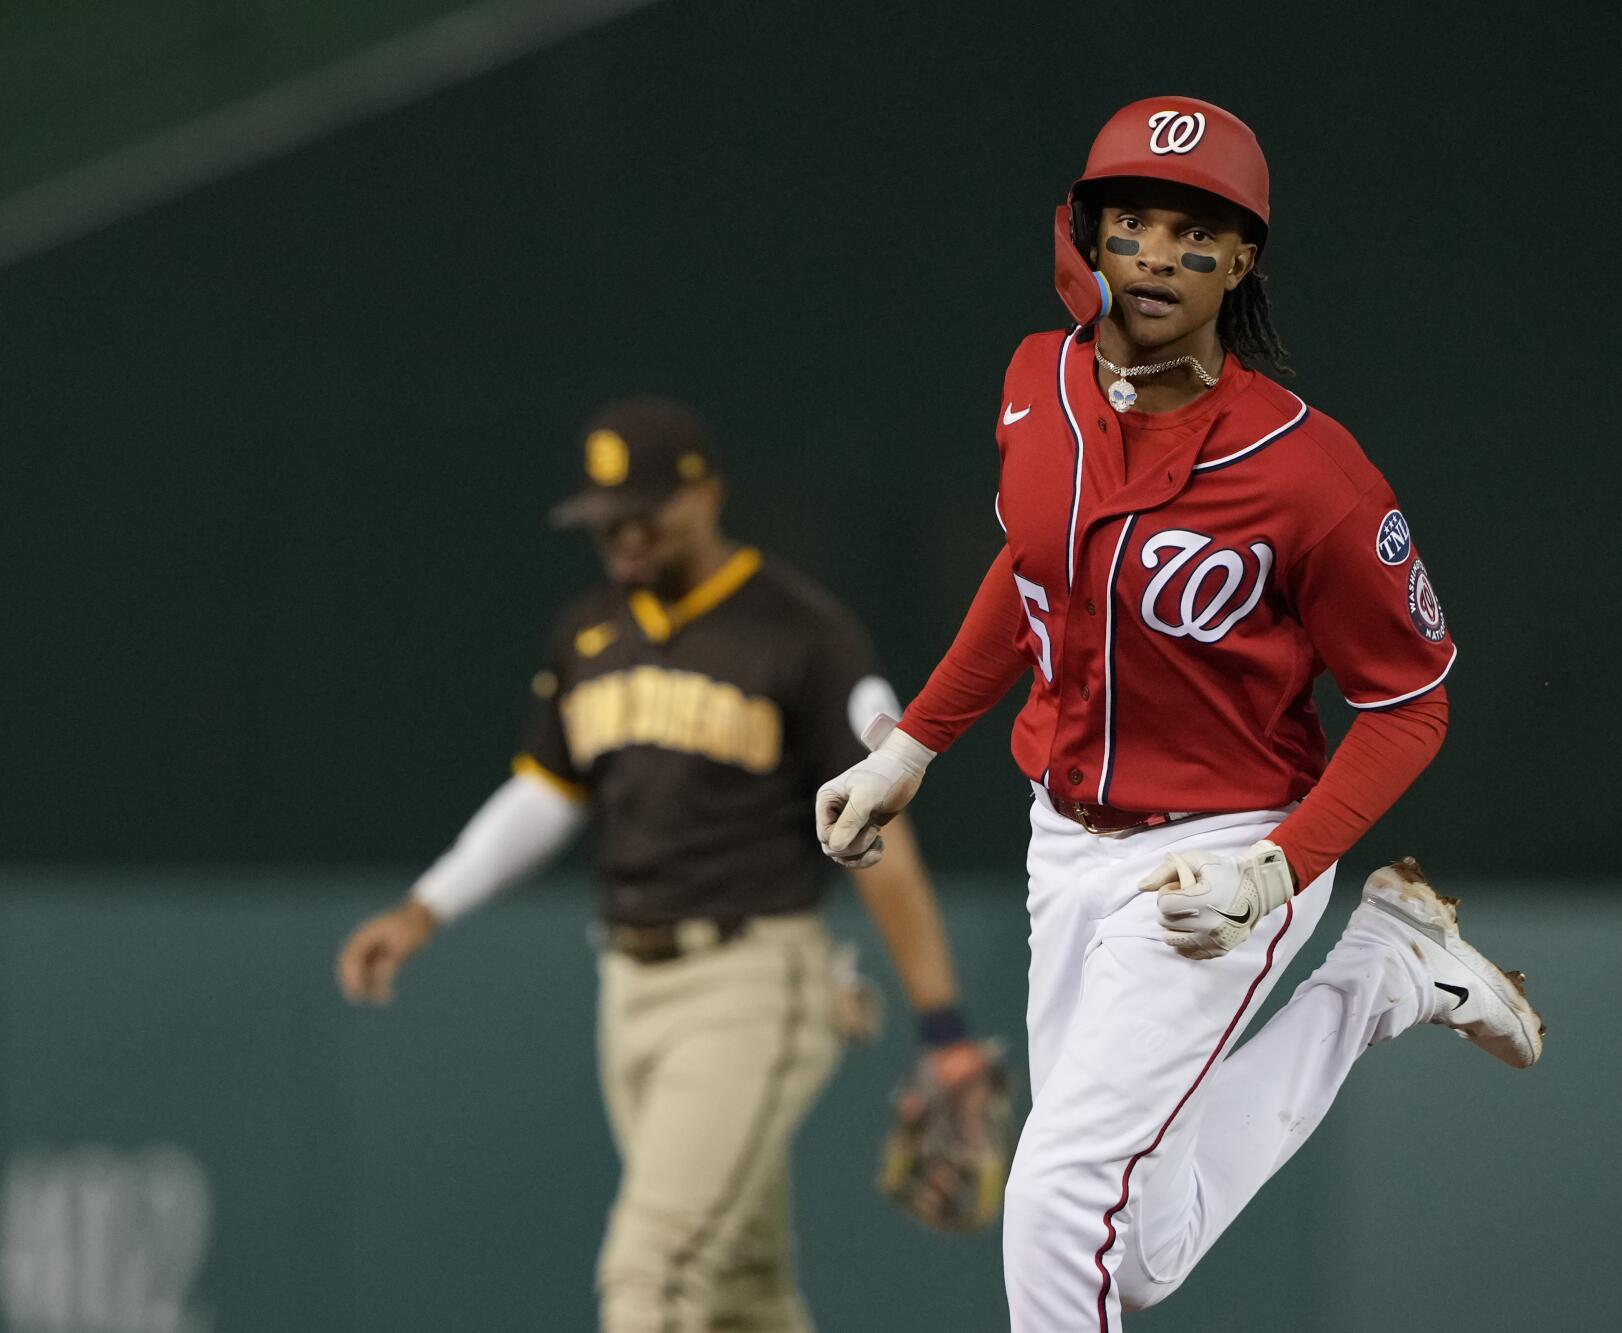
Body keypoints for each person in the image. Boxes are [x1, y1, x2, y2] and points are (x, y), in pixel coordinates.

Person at [814, 97, 1545, 1330]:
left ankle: (1360, 953)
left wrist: (1278, 869)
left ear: (1240, 259)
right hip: (1067, 842)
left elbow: (1409, 708)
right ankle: (1380, 977)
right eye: (1132, 221)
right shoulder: (1034, 383)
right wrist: (910, 743)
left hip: (1224, 852)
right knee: (1135, 1249)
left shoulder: (1312, 475)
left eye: (1193, 229)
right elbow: (1029, 568)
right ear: (1086, 236)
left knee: (1055, 1190)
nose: (1155, 252)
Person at [336, 396, 989, 1333]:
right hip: (632, 992)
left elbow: (877, 776)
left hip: (754, 982)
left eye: (647, 510)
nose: (626, 533)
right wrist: (424, 908)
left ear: (708, 494)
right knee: (739, 1296)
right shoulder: (587, 630)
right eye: (608, 518)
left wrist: (945, 1023)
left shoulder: (798, 629)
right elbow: (545, 792)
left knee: (651, 1278)